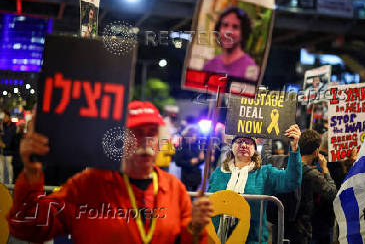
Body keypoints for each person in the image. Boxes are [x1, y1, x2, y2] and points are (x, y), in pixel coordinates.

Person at [8, 101, 213, 243]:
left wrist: (194, 228)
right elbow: (28, 226)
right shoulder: (89, 184)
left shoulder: (174, 188)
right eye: (136, 133)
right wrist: (32, 171)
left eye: (151, 132)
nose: (145, 141)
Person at [208, 124, 302, 243]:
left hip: (252, 239)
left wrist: (294, 148)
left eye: (248, 142)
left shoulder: (265, 173)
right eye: (239, 141)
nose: (243, 145)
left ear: (255, 149)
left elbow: (292, 181)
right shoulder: (218, 173)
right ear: (232, 147)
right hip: (218, 239)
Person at [287, 129, 337, 244]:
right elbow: (332, 193)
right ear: (316, 152)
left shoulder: (287, 163)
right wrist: (325, 169)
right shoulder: (311, 173)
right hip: (302, 229)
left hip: (283, 226)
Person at [203, 7, 259, 81]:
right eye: (225, 25)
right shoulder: (209, 65)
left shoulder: (251, 69)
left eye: (235, 27)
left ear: (243, 33)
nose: (228, 32)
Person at [175, 124, 205, 191]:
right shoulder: (181, 146)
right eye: (193, 135)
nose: (195, 137)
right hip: (186, 176)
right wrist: (189, 162)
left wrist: (202, 159)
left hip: (196, 177)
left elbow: (199, 161)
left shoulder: (197, 145)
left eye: (196, 135)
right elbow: (178, 162)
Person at [1, 111, 16, 184]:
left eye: (5, 117)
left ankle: (10, 191)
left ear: (9, 117)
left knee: (9, 173)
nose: (4, 118)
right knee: (2, 173)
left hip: (9, 153)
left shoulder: (12, 128)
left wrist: (4, 145)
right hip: (2, 153)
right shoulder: (3, 127)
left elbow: (11, 141)